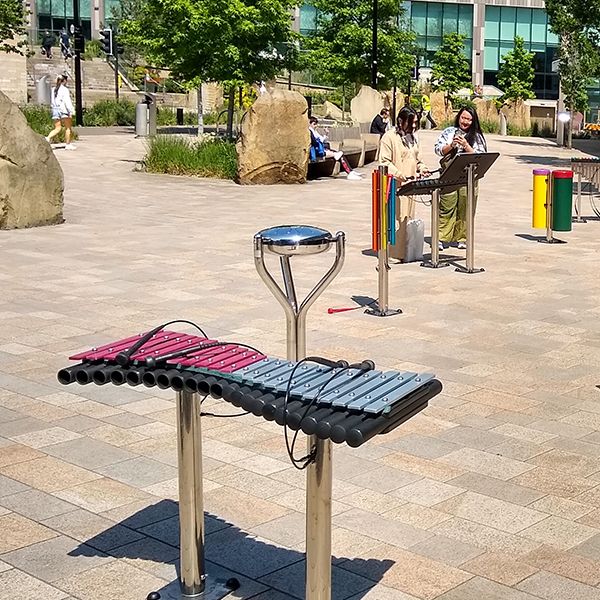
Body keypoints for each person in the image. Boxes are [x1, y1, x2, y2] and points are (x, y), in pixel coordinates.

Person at [379, 106, 429, 261]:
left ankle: (406, 252)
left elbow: (417, 159)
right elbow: (384, 162)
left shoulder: (414, 138)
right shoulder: (389, 137)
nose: (413, 126)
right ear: (400, 121)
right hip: (395, 187)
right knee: (396, 219)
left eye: (415, 123)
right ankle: (394, 253)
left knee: (407, 218)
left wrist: (423, 168)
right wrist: (401, 175)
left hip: (411, 186)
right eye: (410, 123)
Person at [434, 106, 487, 250]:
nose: (465, 122)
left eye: (469, 119)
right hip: (449, 173)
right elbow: (438, 150)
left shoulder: (477, 136)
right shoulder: (449, 132)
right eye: (463, 118)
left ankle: (462, 237)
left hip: (468, 175)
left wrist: (466, 145)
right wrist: (452, 145)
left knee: (466, 205)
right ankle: (441, 237)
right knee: (447, 204)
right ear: (458, 117)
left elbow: (481, 156)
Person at [308, 116, 362, 181]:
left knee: (338, 153)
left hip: (321, 149)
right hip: (318, 152)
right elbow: (315, 142)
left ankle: (350, 171)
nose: (316, 126)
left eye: (316, 124)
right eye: (314, 124)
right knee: (339, 155)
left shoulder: (314, 131)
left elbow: (322, 140)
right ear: (310, 124)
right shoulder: (310, 131)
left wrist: (326, 133)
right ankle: (349, 172)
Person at [46, 75, 76, 150]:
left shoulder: (53, 89)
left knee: (57, 128)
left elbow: (52, 100)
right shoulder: (65, 90)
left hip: (55, 109)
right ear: (64, 81)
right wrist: (71, 110)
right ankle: (68, 144)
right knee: (68, 128)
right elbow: (67, 101)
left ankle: (48, 138)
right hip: (64, 110)